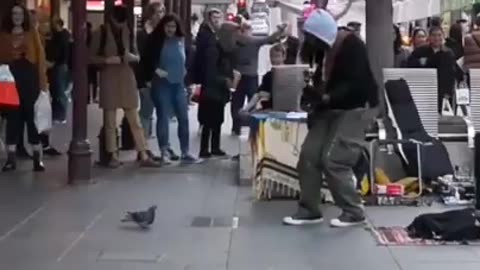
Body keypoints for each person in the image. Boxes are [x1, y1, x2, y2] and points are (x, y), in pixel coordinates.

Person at [282, 10, 379, 227]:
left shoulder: (352, 45)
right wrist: (314, 95)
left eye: (311, 39)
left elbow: (357, 83)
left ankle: (353, 211)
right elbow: (321, 77)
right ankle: (309, 209)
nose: (309, 43)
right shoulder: (320, 50)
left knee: (334, 158)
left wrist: (326, 96)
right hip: (329, 108)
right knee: (309, 156)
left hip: (356, 107)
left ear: (321, 36)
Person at [89, 5, 160, 168]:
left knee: (134, 119)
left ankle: (142, 152)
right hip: (109, 76)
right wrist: (106, 60)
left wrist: (132, 57)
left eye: (123, 22)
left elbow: (138, 56)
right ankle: (113, 154)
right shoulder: (100, 33)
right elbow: (91, 57)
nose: (120, 25)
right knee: (110, 120)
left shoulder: (129, 32)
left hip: (127, 76)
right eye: (118, 21)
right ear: (112, 19)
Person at [141, 14, 200, 165]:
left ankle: (185, 151)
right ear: (162, 26)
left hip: (178, 83)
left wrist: (188, 73)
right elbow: (146, 59)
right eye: (168, 26)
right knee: (163, 117)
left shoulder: (181, 40)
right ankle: (164, 150)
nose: (170, 29)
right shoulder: (156, 41)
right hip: (162, 83)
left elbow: (190, 56)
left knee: (183, 118)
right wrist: (154, 70)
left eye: (173, 26)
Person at [0, 3, 49, 171]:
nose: (17, 16)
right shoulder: (3, 35)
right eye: (14, 13)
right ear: (10, 16)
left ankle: (37, 158)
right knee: (12, 118)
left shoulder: (32, 34)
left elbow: (41, 59)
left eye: (20, 13)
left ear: (24, 16)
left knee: (32, 117)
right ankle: (11, 159)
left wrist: (43, 84)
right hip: (9, 80)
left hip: (29, 78)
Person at [195, 13, 241, 158]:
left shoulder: (226, 49)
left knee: (218, 120)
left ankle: (215, 147)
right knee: (208, 121)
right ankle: (204, 149)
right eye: (234, 36)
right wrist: (225, 80)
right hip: (211, 91)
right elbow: (210, 73)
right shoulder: (214, 49)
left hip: (219, 92)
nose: (236, 39)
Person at [230, 22, 286, 136]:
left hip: (249, 77)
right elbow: (269, 38)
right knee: (237, 103)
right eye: (243, 31)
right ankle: (238, 126)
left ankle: (246, 125)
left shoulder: (252, 41)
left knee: (246, 102)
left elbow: (269, 38)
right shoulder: (234, 43)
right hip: (240, 77)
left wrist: (279, 31)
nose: (246, 34)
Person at [136, 2, 165, 160]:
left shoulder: (161, 33)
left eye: (162, 12)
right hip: (147, 78)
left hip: (159, 78)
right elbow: (142, 59)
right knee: (146, 113)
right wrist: (144, 79)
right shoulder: (143, 34)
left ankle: (148, 147)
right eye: (158, 12)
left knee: (153, 113)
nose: (160, 15)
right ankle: (143, 148)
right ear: (151, 14)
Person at [407, 26, 456, 113]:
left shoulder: (448, 53)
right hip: (424, 91)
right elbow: (409, 66)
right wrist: (419, 63)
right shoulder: (421, 51)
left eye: (439, 35)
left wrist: (448, 92)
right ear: (429, 37)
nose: (436, 38)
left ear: (443, 36)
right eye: (433, 35)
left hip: (441, 92)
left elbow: (451, 75)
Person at [240, 43, 286, 113]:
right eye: (272, 56)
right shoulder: (268, 76)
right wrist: (246, 109)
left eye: (277, 56)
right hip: (270, 109)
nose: (274, 59)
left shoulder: (291, 73)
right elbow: (258, 94)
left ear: (284, 57)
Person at [46, 18, 70, 124]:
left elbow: (59, 51)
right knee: (56, 91)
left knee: (59, 91)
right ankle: (57, 114)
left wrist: (53, 61)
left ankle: (61, 115)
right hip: (58, 65)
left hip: (58, 65)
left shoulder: (61, 37)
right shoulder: (61, 36)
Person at [87, 22, 98, 104]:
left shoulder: (85, 36)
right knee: (94, 81)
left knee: (87, 81)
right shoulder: (94, 36)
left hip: (87, 62)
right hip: (93, 61)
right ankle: (94, 97)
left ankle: (87, 97)